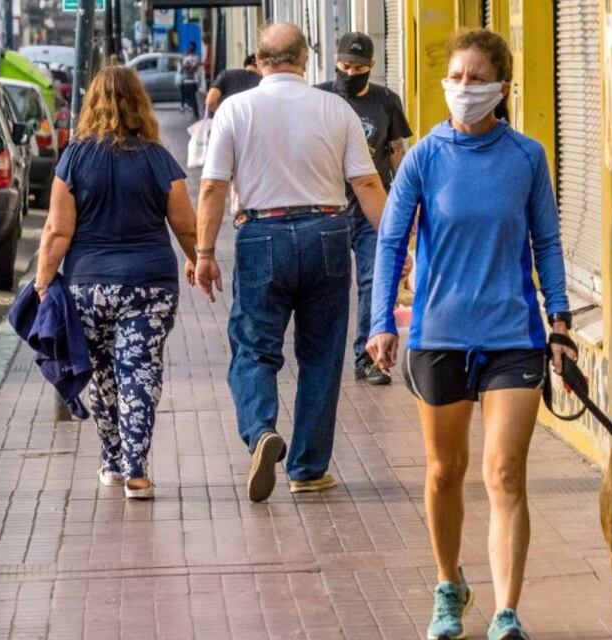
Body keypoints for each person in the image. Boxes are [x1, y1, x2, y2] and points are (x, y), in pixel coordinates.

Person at [366, 29, 574, 640]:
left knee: (504, 472)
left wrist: (559, 321)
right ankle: (448, 585)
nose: (463, 87)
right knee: (443, 471)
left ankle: (506, 612)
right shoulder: (425, 158)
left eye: (477, 77)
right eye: (456, 76)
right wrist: (381, 322)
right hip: (440, 336)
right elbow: (391, 242)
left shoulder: (527, 157)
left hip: (513, 334)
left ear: (502, 86)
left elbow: (547, 242)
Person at [194, 23, 387, 502]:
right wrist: (395, 248)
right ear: (305, 59)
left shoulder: (235, 108)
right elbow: (366, 184)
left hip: (261, 233)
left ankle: (261, 430)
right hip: (327, 230)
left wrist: (203, 253)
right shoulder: (336, 108)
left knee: (253, 348)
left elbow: (213, 185)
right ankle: (307, 468)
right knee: (322, 355)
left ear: (259, 61)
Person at [34, 66, 199, 500]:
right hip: (151, 285)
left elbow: (57, 229)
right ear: (139, 103)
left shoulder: (74, 158)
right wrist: (199, 260)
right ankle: (137, 471)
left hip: (89, 286)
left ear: (92, 105)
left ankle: (112, 461)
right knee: (139, 370)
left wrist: (43, 280)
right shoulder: (158, 158)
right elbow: (185, 224)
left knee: (103, 374)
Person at [316, 32, 412, 386]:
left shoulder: (385, 100)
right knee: (330, 286)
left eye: (358, 67)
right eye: (345, 65)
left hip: (372, 207)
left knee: (375, 279)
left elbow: (397, 151)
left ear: (371, 66)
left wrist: (405, 198)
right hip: (328, 207)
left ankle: (368, 358)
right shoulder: (319, 97)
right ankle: (323, 360)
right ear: (335, 61)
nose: (350, 72)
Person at [179, 42, 201, 118]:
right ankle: (193, 109)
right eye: (189, 47)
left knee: (193, 97)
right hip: (185, 81)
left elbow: (194, 68)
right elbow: (181, 70)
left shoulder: (196, 57)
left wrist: (187, 66)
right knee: (187, 97)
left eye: (191, 47)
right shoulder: (186, 57)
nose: (190, 49)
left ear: (194, 49)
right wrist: (184, 65)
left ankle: (196, 112)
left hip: (193, 81)